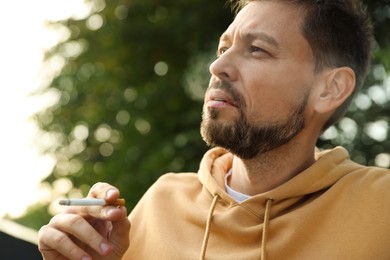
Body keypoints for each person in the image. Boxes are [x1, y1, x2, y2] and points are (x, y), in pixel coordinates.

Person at [38, 0, 390, 259]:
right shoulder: (161, 203)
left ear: (330, 89)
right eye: (224, 48)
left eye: (257, 50)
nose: (218, 65)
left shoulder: (381, 208)